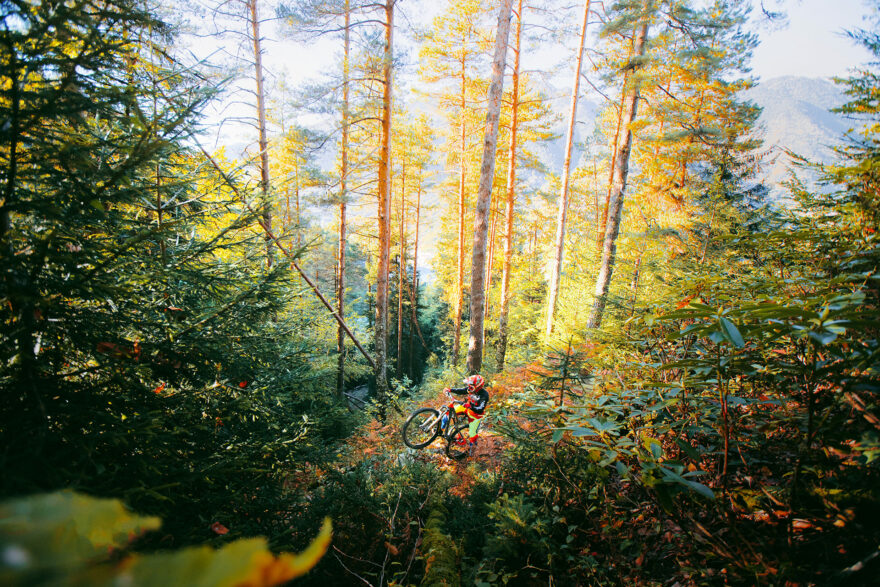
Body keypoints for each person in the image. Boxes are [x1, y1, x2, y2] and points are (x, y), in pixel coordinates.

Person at [440, 374, 489, 456]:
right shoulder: (470, 389)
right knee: (448, 413)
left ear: (478, 386)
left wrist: (470, 406)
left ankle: (470, 452)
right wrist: (450, 390)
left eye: (471, 386)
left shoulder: (484, 395)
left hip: (476, 414)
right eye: (469, 385)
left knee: (473, 435)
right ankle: (440, 430)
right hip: (466, 408)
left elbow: (480, 408)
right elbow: (462, 390)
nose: (469, 387)